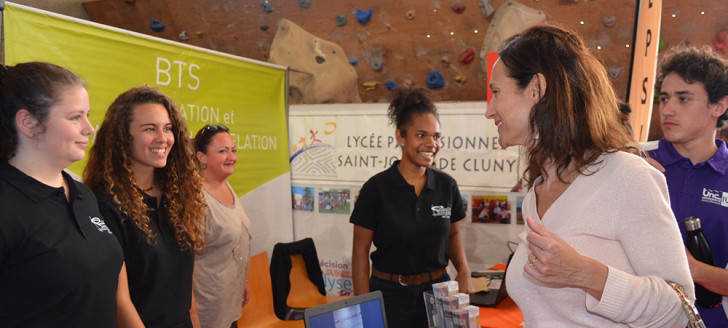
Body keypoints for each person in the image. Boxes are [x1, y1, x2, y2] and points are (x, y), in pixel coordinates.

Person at [485, 25, 694, 327]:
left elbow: (678, 308)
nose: (489, 111)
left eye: (495, 92)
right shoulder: (538, 193)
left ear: (536, 90)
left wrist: (585, 274)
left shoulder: (628, 177)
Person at [0, 62, 123, 326]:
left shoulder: (83, 195)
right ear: (28, 122)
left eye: (87, 115)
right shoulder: (7, 203)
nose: (89, 128)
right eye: (75, 117)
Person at [84, 86, 207, 328]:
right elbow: (120, 302)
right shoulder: (105, 205)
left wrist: (194, 321)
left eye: (168, 128)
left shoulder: (175, 196)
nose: (163, 138)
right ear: (122, 136)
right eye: (150, 129)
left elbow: (183, 278)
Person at [350, 87, 473, 328]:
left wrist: (465, 271)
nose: (431, 143)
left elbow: (454, 234)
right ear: (400, 136)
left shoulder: (446, 185)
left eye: (436, 136)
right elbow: (360, 251)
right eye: (421, 135)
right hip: (389, 294)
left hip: (439, 293)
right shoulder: (376, 188)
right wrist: (364, 304)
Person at [648, 45, 728, 327]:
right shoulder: (638, 163)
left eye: (683, 99)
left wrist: (692, 269)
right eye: (664, 98)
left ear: (718, 106)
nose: (668, 109)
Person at [192, 124, 252, 328]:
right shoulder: (196, 199)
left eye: (233, 150)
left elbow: (235, 242)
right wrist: (192, 317)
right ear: (201, 157)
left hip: (229, 309)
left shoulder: (225, 184)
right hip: (207, 315)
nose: (231, 156)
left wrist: (242, 281)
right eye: (223, 151)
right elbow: (182, 264)